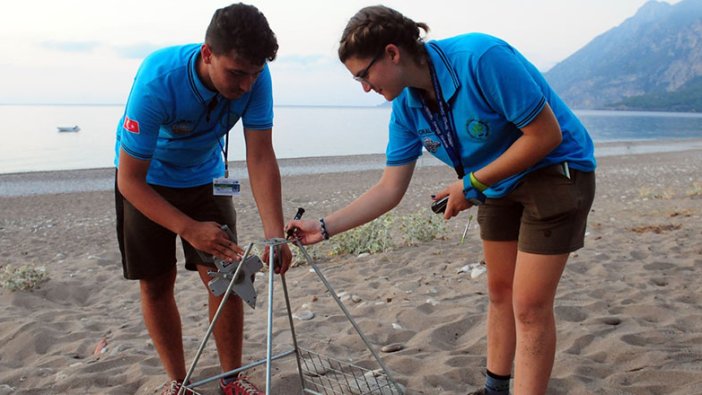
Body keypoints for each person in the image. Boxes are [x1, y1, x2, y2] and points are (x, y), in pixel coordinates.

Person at [286, 5, 596, 395]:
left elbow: (544, 136)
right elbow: (389, 189)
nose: (364, 87)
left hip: (555, 170)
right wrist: (324, 227)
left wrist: (469, 185)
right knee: (500, 292)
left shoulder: (482, 59)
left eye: (364, 74)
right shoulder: (405, 107)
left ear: (393, 53)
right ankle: (494, 389)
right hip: (496, 182)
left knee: (530, 307)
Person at [113, 3, 292, 395]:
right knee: (158, 281)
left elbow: (260, 155)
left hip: (207, 177)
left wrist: (274, 234)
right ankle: (179, 383)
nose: (247, 85)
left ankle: (232, 380)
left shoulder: (256, 76)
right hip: (150, 180)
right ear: (208, 54)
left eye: (255, 74)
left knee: (229, 275)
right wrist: (188, 229)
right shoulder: (158, 79)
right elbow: (129, 180)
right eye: (237, 73)